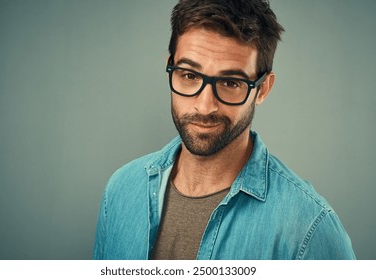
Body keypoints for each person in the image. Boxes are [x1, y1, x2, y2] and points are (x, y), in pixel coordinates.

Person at [93, 0, 355, 260]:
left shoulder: (310, 226)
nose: (205, 106)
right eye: (189, 75)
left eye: (230, 82)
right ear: (170, 67)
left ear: (262, 89)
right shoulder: (121, 190)